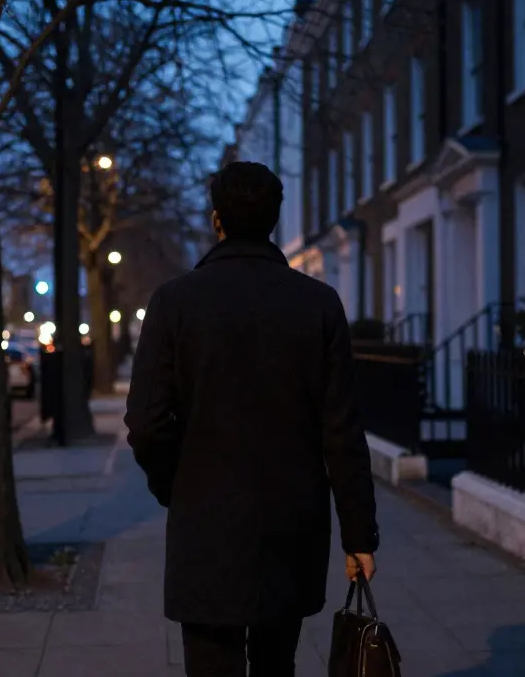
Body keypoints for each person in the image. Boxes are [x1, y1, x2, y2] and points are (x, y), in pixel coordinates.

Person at [124, 161, 379, 676]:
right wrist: (359, 536)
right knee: (275, 662)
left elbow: (146, 422)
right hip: (290, 526)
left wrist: (175, 484)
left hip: (206, 524)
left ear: (217, 219)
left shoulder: (174, 302)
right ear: (274, 219)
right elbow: (342, 432)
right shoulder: (318, 304)